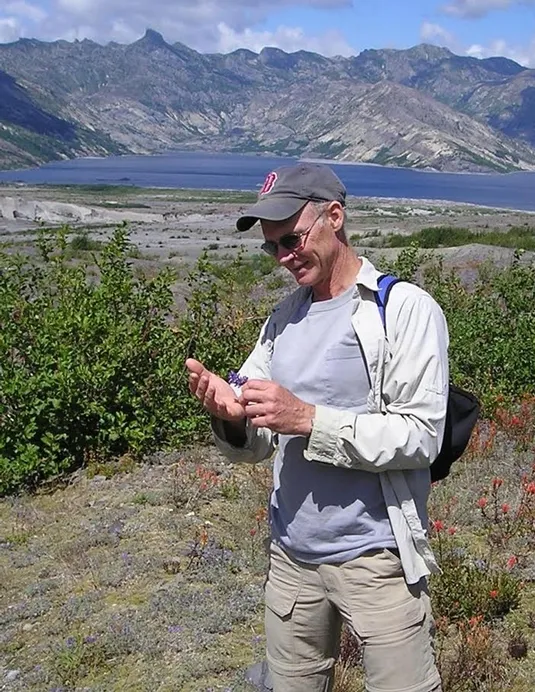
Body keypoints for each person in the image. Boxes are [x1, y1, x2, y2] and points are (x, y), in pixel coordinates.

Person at [185, 162, 449, 692]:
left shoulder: (402, 310)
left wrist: (307, 419)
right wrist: (230, 417)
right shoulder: (284, 318)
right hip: (292, 556)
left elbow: (421, 436)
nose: (284, 256)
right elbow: (258, 436)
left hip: (378, 557)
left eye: (293, 239)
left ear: (335, 216)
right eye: (272, 247)